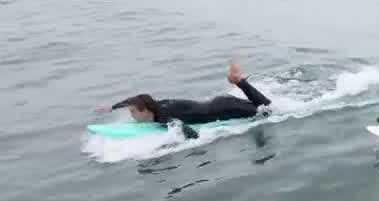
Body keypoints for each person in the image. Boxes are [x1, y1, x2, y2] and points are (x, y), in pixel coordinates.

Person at [95, 63, 271, 140]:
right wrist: (112, 107)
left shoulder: (163, 116)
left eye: (133, 112)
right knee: (262, 107)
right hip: (218, 103)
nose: (131, 115)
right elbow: (131, 101)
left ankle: (239, 81)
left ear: (145, 111)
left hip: (224, 109)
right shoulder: (154, 104)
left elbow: (191, 134)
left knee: (266, 109)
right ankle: (238, 81)